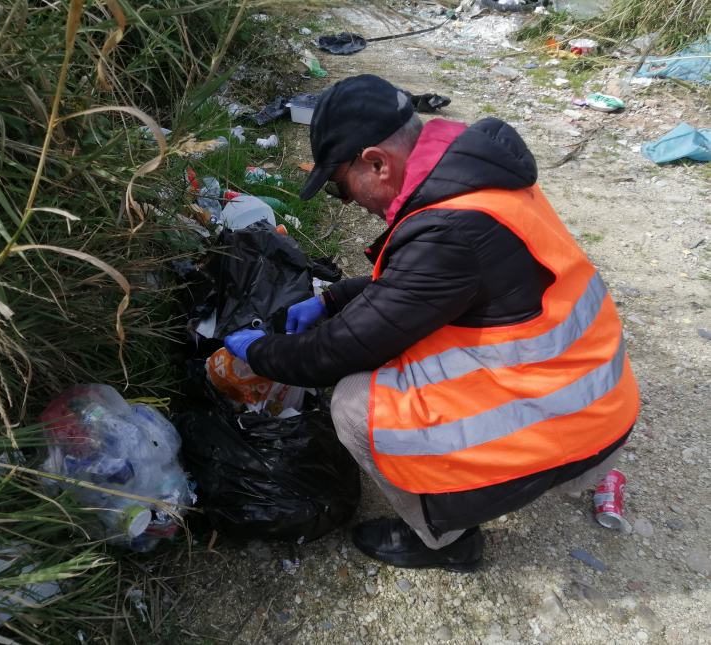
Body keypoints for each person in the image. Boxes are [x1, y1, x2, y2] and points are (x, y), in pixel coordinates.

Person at [223, 75, 640, 571]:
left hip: (572, 430)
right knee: (396, 356)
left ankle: (443, 539)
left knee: (357, 403)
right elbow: (416, 287)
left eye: (340, 188)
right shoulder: (474, 180)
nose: (350, 200)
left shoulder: (450, 230)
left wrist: (255, 350)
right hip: (592, 398)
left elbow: (330, 355)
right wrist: (333, 299)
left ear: (376, 162)